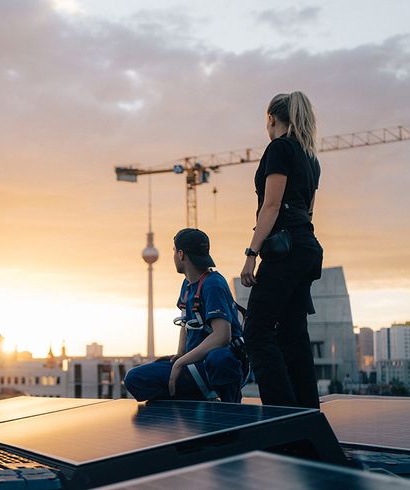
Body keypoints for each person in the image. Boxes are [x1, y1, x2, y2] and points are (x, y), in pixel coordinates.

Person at [240, 91, 323, 409]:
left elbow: (271, 205)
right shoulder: (311, 158)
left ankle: (281, 415)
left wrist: (251, 253)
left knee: (257, 331)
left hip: (285, 250)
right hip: (307, 247)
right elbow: (309, 212)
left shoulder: (279, 149)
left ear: (271, 118)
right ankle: (306, 413)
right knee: (293, 334)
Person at [124, 228, 243, 403]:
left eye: (174, 251)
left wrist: (181, 363)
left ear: (180, 254)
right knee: (134, 378)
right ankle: (194, 394)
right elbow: (185, 324)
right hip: (193, 365)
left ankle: (229, 401)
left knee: (219, 358)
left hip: (215, 364)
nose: (173, 255)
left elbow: (222, 336)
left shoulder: (213, 284)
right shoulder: (187, 285)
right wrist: (179, 356)